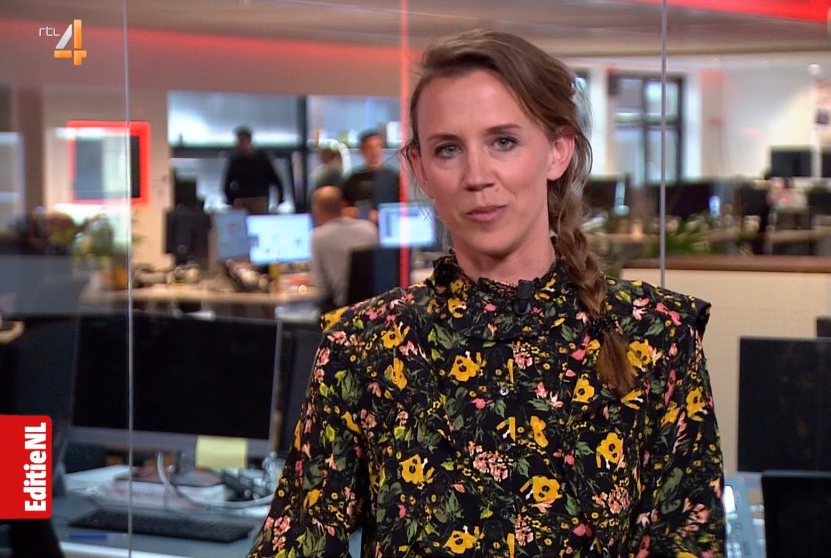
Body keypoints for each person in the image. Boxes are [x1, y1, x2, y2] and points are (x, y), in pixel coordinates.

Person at [249, 29, 724, 557]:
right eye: (448, 149)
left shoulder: (655, 335)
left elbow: (688, 541)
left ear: (558, 151)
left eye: (503, 142)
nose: (477, 176)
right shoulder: (365, 346)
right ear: (421, 169)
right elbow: (297, 544)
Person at [309, 185, 379, 312]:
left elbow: (322, 290)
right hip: (375, 309)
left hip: (341, 312)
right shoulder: (370, 228)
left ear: (316, 211)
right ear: (343, 205)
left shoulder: (318, 236)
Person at [340, 129, 401, 220]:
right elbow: (344, 209)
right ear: (362, 151)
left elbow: (402, 210)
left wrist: (379, 216)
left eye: (378, 146)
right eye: (369, 147)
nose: (374, 152)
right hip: (359, 226)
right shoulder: (353, 180)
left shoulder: (393, 178)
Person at [222, 126, 284, 214]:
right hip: (242, 200)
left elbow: (275, 179)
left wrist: (280, 197)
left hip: (259, 199)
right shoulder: (235, 161)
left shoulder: (262, 159)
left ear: (249, 141)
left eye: (242, 141)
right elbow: (227, 182)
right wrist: (231, 200)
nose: (239, 144)